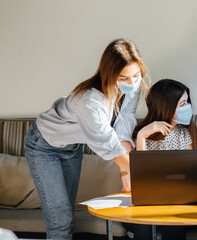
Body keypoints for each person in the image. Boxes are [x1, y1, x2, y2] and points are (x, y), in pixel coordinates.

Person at [24, 39, 149, 240]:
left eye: (136, 75)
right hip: (43, 145)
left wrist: (127, 172)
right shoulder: (91, 101)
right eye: (124, 78)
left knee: (67, 214)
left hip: (72, 147)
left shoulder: (131, 89)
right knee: (60, 219)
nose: (132, 83)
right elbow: (109, 145)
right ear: (109, 74)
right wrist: (145, 175)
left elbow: (123, 127)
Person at [124, 79, 197, 240]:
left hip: (174, 204)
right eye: (182, 104)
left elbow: (190, 172)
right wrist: (142, 136)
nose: (188, 108)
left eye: (187, 102)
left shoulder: (184, 132)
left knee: (173, 222)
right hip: (144, 204)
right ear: (166, 107)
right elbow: (140, 177)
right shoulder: (141, 132)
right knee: (143, 223)